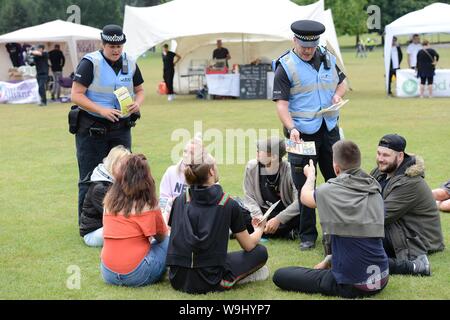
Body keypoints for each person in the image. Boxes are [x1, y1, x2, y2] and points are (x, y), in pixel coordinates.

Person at [273, 140, 389, 299]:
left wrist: (310, 176)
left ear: (336, 167)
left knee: (281, 275)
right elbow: (358, 235)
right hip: (381, 278)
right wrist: (330, 259)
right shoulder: (374, 190)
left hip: (352, 284)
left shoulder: (331, 190)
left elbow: (305, 198)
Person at [272, 20, 347, 251]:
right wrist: (291, 127)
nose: (308, 51)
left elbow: (343, 82)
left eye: (312, 46)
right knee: (304, 182)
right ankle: (307, 235)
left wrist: (336, 95)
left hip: (329, 129)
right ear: (294, 40)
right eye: (304, 46)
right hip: (300, 135)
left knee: (336, 181)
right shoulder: (285, 66)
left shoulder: (327, 57)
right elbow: (282, 105)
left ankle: (338, 231)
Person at [166, 150, 269, 294]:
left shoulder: (179, 200)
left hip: (177, 279)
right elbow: (249, 245)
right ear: (211, 171)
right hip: (211, 280)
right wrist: (260, 229)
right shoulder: (227, 203)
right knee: (260, 252)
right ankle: (242, 276)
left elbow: (172, 237)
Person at [71, 24, 145, 224]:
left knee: (125, 174)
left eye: (119, 45)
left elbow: (140, 90)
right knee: (89, 177)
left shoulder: (130, 61)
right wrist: (101, 110)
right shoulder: (90, 63)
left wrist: (136, 105)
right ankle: (87, 223)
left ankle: (123, 220)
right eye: (112, 46)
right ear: (102, 44)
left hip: (121, 128)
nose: (116, 50)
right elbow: (76, 95)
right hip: (91, 129)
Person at [371, 134, 445, 276]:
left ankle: (416, 267)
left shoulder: (410, 182)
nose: (380, 159)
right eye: (378, 153)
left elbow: (379, 217)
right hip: (397, 227)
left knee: (361, 241)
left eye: (386, 155)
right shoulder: (380, 172)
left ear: (400, 156)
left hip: (418, 239)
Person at [101, 154, 169, 287]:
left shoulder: (109, 201)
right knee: (169, 241)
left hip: (107, 272)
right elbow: (162, 238)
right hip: (137, 273)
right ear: (146, 178)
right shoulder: (148, 205)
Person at [242, 137, 300, 239]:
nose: (257, 151)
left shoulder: (290, 170)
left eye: (261, 150)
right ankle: (284, 233)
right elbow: (249, 196)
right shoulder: (251, 167)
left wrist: (279, 219)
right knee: (238, 212)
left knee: (299, 216)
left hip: (281, 212)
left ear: (273, 157)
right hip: (262, 211)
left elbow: (299, 201)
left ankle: (251, 231)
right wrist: (258, 216)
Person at [79, 145, 131, 247]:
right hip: (93, 233)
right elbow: (114, 215)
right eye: (123, 165)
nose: (127, 169)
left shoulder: (117, 181)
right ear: (113, 164)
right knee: (127, 229)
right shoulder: (99, 188)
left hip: (108, 227)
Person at [159, 137, 203, 223]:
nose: (186, 155)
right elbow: (163, 200)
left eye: (192, 153)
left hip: (196, 220)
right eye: (185, 151)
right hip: (172, 219)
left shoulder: (205, 174)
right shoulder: (171, 172)